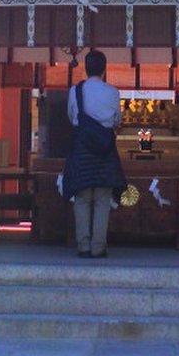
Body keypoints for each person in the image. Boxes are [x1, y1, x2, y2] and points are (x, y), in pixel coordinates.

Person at [63, 50, 124, 258]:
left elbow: (72, 117)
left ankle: (83, 246)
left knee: (81, 199)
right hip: (105, 152)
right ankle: (99, 247)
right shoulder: (113, 92)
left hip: (82, 150)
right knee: (102, 201)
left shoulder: (75, 91)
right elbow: (117, 121)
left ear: (86, 68)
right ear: (104, 68)